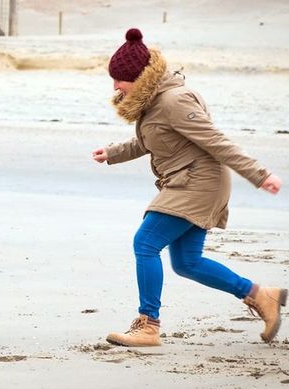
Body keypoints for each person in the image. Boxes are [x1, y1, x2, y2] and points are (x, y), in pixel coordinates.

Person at [92, 28, 286, 347]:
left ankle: (148, 324)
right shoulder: (154, 102)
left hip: (199, 183)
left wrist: (260, 175)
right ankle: (261, 295)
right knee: (187, 263)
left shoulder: (175, 100)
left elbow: (215, 141)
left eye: (119, 80)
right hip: (186, 180)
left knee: (146, 242)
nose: (115, 86)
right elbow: (148, 140)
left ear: (139, 78)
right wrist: (112, 153)